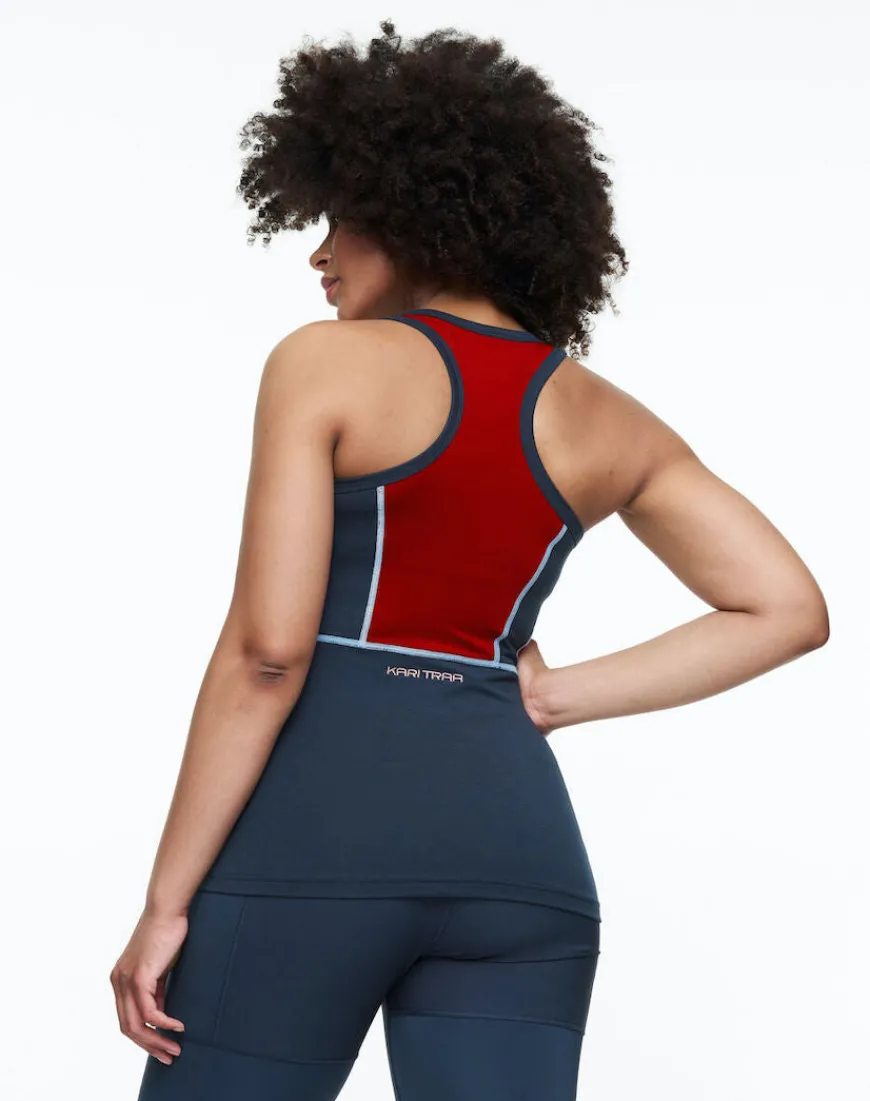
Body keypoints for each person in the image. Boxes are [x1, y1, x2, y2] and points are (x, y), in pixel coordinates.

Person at [111, 19, 830, 1100]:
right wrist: (551, 696)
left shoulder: (325, 365)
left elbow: (267, 655)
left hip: (317, 844)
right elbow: (787, 607)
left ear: (413, 211)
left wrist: (166, 901)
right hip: (522, 871)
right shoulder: (611, 421)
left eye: (340, 220)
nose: (319, 253)